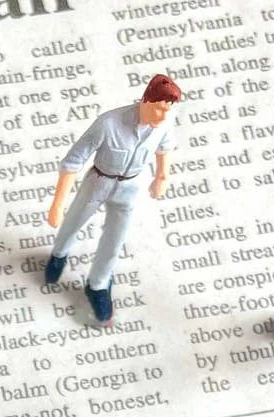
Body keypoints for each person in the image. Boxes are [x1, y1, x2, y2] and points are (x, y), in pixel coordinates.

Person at [43, 73, 183, 327]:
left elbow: (165, 148)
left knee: (115, 239)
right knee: (74, 221)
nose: (163, 117)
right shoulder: (108, 123)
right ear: (145, 101)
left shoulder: (164, 124)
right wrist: (57, 204)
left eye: (168, 111)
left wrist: (162, 176)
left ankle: (97, 284)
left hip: (130, 186)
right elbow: (72, 162)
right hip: (99, 181)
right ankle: (59, 255)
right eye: (159, 109)